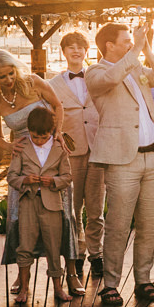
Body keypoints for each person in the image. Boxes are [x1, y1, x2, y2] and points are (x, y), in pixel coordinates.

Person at [85, 21, 154, 307]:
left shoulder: (135, 67)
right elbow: (110, 78)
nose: (132, 44)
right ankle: (110, 284)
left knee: (149, 224)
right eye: (127, 41)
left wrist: (149, 50)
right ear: (109, 45)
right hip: (122, 161)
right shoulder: (95, 72)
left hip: (152, 157)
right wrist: (136, 51)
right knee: (118, 225)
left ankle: (144, 280)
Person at [0, 49, 67, 304]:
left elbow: (58, 106)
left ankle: (69, 276)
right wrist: (11, 147)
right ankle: (22, 277)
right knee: (21, 222)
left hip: (50, 153)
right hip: (24, 161)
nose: (9, 79)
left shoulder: (33, 82)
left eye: (11, 73)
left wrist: (57, 134)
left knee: (61, 217)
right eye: (2, 77)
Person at [48, 29, 101, 293]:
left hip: (98, 148)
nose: (76, 51)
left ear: (86, 51)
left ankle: (97, 253)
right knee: (73, 207)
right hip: (70, 151)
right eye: (71, 47)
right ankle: (77, 254)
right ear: (64, 52)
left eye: (80, 47)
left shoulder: (97, 77)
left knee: (96, 206)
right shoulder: (52, 84)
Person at [5, 105, 73, 305]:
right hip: (28, 202)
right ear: (29, 131)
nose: (39, 141)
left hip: (52, 204)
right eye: (35, 137)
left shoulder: (59, 148)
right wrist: (25, 180)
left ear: (51, 131)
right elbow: (11, 176)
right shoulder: (22, 147)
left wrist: (54, 181)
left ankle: (58, 288)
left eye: (44, 137)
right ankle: (24, 288)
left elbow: (67, 177)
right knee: (25, 245)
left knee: (53, 246)